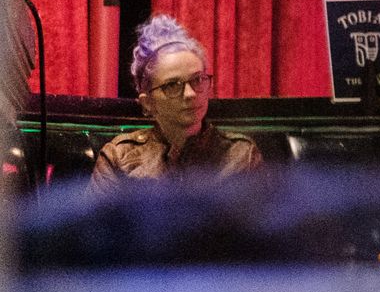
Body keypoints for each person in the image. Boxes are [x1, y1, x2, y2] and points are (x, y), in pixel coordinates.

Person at [91, 15, 263, 191]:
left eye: (197, 80)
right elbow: (97, 219)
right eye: (172, 85)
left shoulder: (241, 154)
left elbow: (261, 218)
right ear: (148, 102)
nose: (190, 94)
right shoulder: (119, 157)